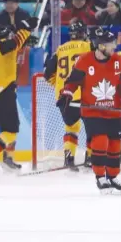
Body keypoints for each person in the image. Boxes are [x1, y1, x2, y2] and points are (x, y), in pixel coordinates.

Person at [57, 28, 121, 195]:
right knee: (100, 141)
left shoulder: (119, 61)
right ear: (99, 46)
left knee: (114, 145)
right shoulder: (84, 61)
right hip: (92, 111)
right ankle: (100, 178)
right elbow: (72, 83)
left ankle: (113, 177)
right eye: (110, 44)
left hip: (114, 111)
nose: (114, 46)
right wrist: (66, 95)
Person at [0, 17, 38, 172]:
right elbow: (14, 43)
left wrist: (25, 39)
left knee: (8, 128)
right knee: (11, 130)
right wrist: (26, 28)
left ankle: (8, 159)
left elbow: (14, 46)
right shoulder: (2, 45)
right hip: (2, 92)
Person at [44, 21, 92, 170]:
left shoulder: (60, 50)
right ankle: (90, 158)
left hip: (64, 96)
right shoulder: (88, 46)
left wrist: (59, 85)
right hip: (84, 94)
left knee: (71, 127)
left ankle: (68, 158)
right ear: (83, 33)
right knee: (92, 127)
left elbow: (47, 74)